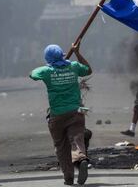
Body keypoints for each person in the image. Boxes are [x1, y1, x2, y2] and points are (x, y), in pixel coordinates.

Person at [30, 42, 92, 185]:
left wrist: (51, 68)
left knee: (61, 146)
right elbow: (88, 70)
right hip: (76, 112)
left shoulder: (46, 71)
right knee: (77, 139)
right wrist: (77, 53)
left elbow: (32, 74)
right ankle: (81, 159)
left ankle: (68, 177)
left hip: (57, 115)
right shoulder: (74, 67)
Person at [121, 43, 138, 137]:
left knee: (137, 109)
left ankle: (132, 130)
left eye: (137, 52)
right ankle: (131, 130)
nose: (136, 55)